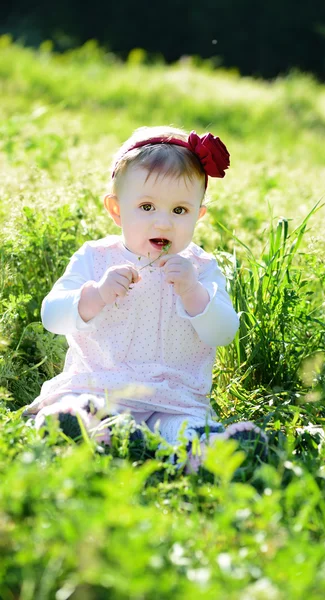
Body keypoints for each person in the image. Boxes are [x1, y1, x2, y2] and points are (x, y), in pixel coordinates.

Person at [23, 125, 266, 472]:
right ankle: (89, 431)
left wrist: (194, 293)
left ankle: (214, 452)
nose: (163, 223)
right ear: (116, 209)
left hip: (174, 397)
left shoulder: (201, 268)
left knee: (183, 428)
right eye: (147, 206)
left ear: (199, 214)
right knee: (78, 407)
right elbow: (52, 315)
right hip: (100, 385)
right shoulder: (96, 258)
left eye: (179, 211)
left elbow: (224, 332)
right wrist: (96, 294)